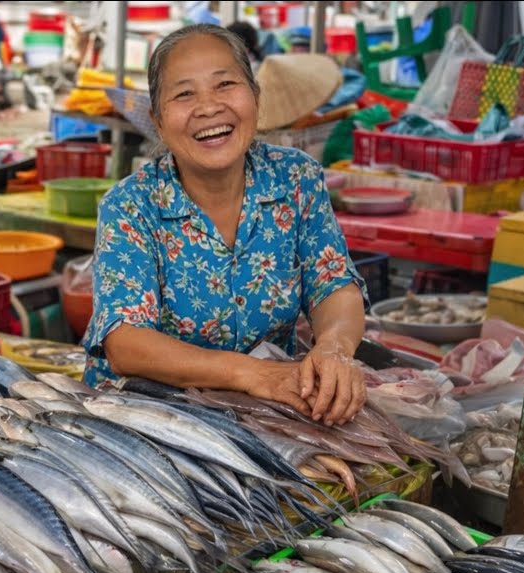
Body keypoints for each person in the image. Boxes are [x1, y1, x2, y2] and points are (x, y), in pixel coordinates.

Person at [82, 24, 367, 427]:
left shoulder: (295, 178)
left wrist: (335, 346)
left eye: (225, 84)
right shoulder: (131, 206)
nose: (208, 107)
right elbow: (126, 342)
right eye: (184, 94)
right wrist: (252, 375)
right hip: (147, 421)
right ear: (157, 121)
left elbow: (333, 282)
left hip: (267, 411)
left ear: (255, 97)